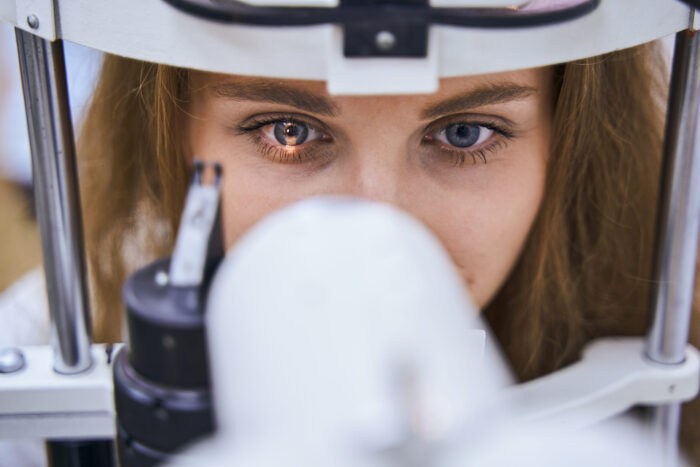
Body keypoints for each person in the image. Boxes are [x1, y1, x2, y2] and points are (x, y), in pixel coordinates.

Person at [70, 38, 700, 462]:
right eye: (289, 132)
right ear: (178, 133)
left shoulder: (673, 325)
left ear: (568, 140)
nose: (378, 217)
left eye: (463, 133)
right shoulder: (45, 335)